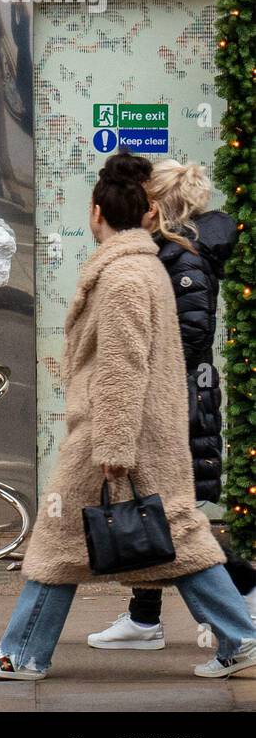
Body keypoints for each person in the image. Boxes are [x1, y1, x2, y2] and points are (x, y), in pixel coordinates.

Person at [0, 154, 256, 680]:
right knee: (180, 540)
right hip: (141, 433)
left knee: (59, 543)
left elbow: (122, 368)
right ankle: (241, 637)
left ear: (96, 211)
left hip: (117, 435)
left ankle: (23, 654)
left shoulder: (123, 276)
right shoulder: (144, 267)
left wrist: (114, 452)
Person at [88, 158, 256, 648]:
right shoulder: (171, 251)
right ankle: (144, 618)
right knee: (155, 508)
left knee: (172, 515)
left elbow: (191, 333)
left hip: (178, 398)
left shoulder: (182, 257)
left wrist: (146, 370)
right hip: (176, 394)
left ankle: (243, 587)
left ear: (157, 204)